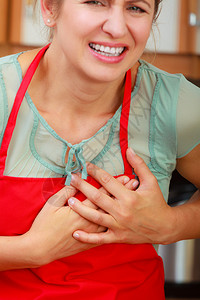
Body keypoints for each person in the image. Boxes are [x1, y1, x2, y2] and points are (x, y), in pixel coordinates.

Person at [0, 0, 199, 298]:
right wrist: (31, 250)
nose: (117, 27)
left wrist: (169, 225)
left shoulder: (174, 103)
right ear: (49, 9)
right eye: (95, 2)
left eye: (136, 8)